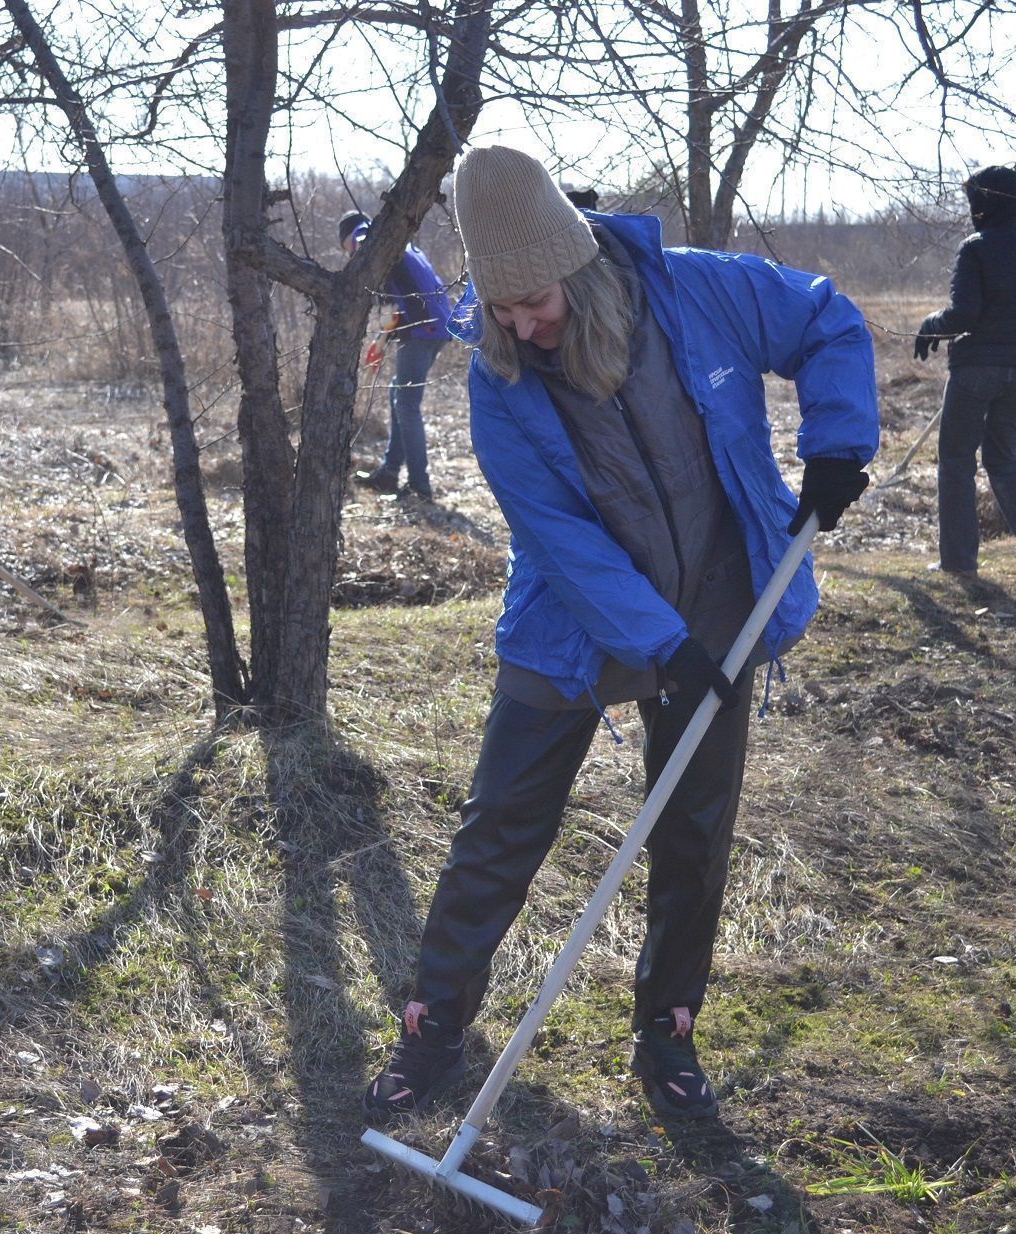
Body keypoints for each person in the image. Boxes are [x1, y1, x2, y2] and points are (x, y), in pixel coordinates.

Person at [362, 145, 876, 1125]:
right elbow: (561, 542)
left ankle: (666, 1033)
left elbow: (824, 319)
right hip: (571, 621)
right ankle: (430, 1030)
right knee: (501, 821)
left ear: (579, 264)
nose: (519, 325)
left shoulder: (694, 292)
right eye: (501, 309)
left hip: (721, 597)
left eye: (535, 303)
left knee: (691, 826)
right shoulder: (497, 380)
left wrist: (837, 444)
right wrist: (656, 644)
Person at [915, 166, 1016, 577]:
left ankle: (958, 562)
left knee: (955, 460)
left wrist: (930, 324)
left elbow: (963, 314)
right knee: (1004, 459)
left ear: (983, 205)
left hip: (974, 370)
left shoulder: (975, 249)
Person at [343, 210, 455, 500]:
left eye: (346, 250)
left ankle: (420, 486)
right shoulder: (400, 242)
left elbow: (366, 249)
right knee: (397, 392)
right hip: (435, 326)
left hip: (423, 329)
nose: (349, 255)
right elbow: (400, 299)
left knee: (406, 405)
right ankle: (390, 472)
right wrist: (383, 339)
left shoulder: (366, 237)